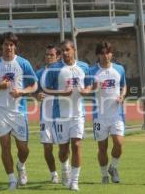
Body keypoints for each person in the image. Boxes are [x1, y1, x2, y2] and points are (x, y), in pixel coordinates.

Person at [0, 32, 38, 190]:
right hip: (0, 110)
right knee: (5, 146)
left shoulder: (23, 63)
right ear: (1, 45)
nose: (8, 47)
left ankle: (21, 166)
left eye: (11, 44)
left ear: (15, 46)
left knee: (24, 148)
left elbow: (34, 85)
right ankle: (12, 180)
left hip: (19, 112)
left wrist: (22, 92)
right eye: (6, 44)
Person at [43, 40, 90, 191]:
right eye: (62, 50)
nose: (65, 53)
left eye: (67, 50)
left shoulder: (84, 66)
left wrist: (86, 91)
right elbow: (46, 90)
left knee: (76, 145)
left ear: (74, 50)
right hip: (60, 115)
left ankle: (75, 181)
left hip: (78, 114)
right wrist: (62, 93)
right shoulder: (54, 68)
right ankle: (65, 168)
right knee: (64, 150)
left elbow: (89, 84)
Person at [89, 41, 126, 184]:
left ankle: (113, 167)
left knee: (118, 143)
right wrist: (93, 86)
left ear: (112, 54)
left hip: (117, 115)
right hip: (99, 117)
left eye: (108, 52)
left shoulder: (119, 69)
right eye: (102, 53)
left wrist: (122, 95)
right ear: (98, 55)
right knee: (102, 148)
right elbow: (86, 89)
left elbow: (123, 86)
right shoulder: (92, 71)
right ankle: (104, 175)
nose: (105, 56)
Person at [35, 44, 69, 184]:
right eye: (47, 55)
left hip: (60, 115)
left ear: (58, 56)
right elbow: (34, 89)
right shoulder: (39, 73)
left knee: (63, 147)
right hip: (45, 116)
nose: (48, 57)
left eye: (52, 55)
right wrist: (37, 95)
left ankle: (65, 170)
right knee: (47, 147)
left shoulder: (63, 71)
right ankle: (54, 174)